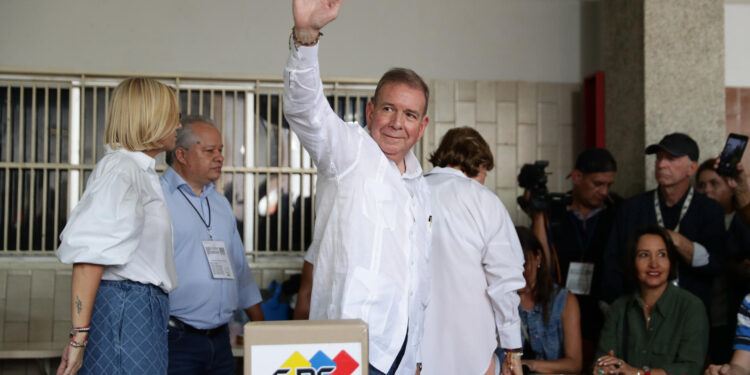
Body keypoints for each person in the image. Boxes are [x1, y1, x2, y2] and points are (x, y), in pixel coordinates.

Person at [283, 1, 432, 373]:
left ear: (423, 126)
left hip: (399, 354)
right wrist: (306, 37)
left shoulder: (420, 186)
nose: (398, 123)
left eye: (410, 114)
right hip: (345, 352)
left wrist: (415, 355)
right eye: (388, 109)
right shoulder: (348, 151)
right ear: (369, 111)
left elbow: (416, 278)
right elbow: (306, 108)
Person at [55, 77, 181, 375]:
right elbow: (88, 258)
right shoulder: (121, 170)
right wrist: (78, 339)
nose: (178, 125)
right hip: (127, 307)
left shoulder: (140, 171)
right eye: (172, 116)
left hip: (141, 307)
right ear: (150, 119)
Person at [160, 115, 264, 374]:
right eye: (209, 151)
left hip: (220, 340)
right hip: (175, 340)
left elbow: (240, 271)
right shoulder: (156, 199)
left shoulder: (220, 204)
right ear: (181, 155)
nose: (219, 157)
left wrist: (264, 330)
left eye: (221, 150)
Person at [420, 127, 526, 375]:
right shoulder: (483, 200)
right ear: (479, 165)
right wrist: (512, 350)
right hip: (473, 352)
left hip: (413, 354)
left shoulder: (409, 192)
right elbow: (505, 281)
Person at [602, 133, 725, 310]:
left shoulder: (709, 210)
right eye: (659, 158)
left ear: (692, 168)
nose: (661, 164)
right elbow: (613, 263)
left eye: (671, 159)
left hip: (689, 312)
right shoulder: (632, 208)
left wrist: (679, 243)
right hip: (639, 310)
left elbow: (715, 264)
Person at [529, 148, 618, 362]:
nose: (604, 191)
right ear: (577, 177)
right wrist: (539, 214)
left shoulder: (618, 210)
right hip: (559, 304)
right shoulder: (555, 209)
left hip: (603, 307)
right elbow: (541, 260)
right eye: (598, 184)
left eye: (609, 185)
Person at [594, 226, 709, 375]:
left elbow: (691, 368)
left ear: (671, 261)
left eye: (662, 255)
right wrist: (604, 368)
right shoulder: (619, 307)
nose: (654, 263)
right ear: (632, 261)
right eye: (644, 255)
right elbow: (602, 359)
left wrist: (638, 372)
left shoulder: (691, 306)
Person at [696, 160, 750, 363]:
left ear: (730, 185)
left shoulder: (742, 220)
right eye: (701, 185)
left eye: (714, 183)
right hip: (708, 308)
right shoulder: (696, 219)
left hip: (735, 308)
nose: (707, 191)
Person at [514, 226, 582, 374]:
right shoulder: (497, 302)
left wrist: (530, 365)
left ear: (538, 257)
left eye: (524, 265)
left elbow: (575, 364)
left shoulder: (563, 300)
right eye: (511, 267)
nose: (518, 273)